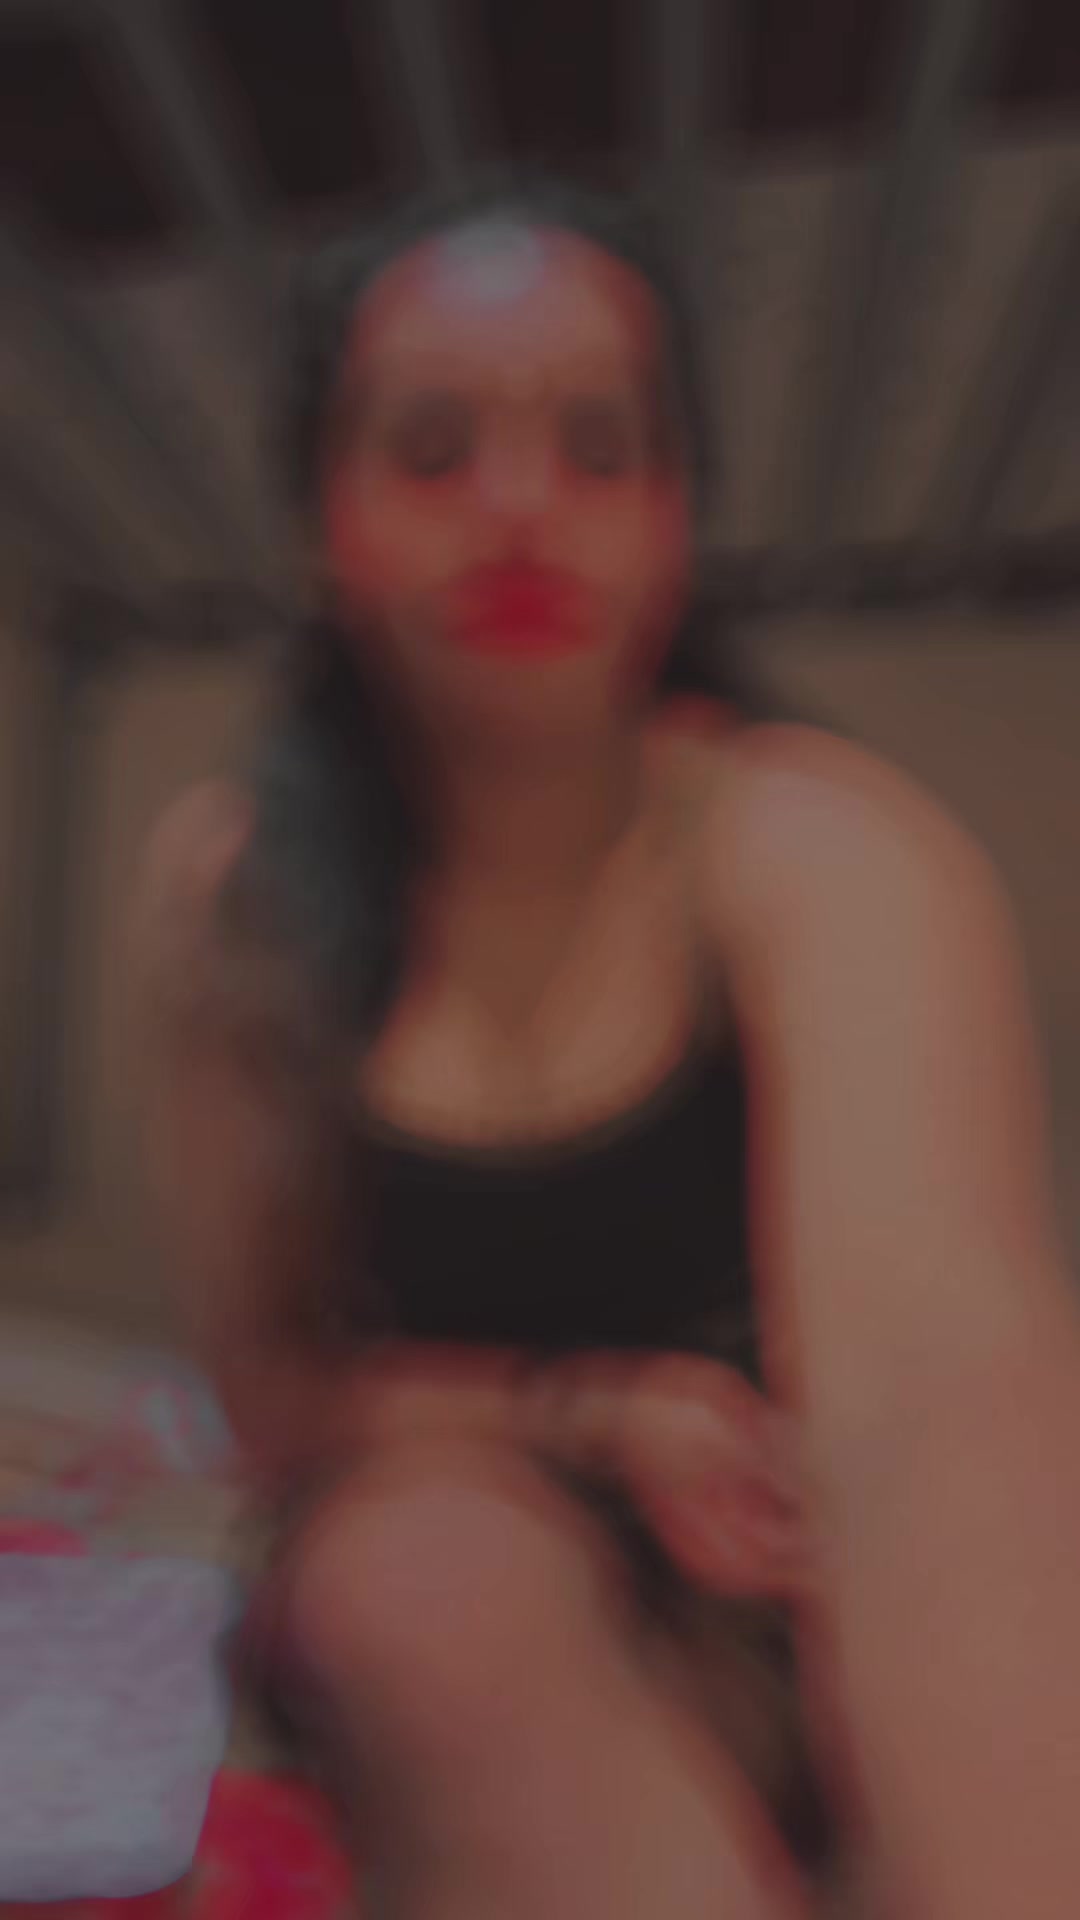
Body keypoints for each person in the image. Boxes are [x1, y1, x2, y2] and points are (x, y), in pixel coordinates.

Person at [136, 171, 1080, 1918]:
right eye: (433, 450)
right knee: (422, 1578)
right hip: (451, 1582)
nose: (519, 509)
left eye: (598, 446)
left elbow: (932, 1420)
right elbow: (261, 1388)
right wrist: (591, 1411)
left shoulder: (813, 851)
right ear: (325, 517)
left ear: (677, 516)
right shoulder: (237, 896)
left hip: (804, 1610)